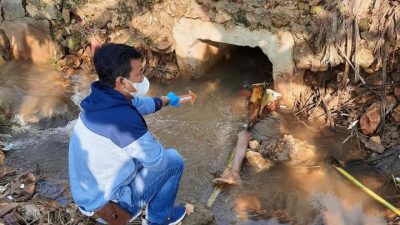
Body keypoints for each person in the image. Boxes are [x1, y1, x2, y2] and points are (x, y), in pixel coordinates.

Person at [68, 43, 186, 225]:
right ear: (121, 81)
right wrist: (151, 143)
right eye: (139, 74)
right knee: (173, 160)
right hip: (112, 208)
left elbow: (138, 104)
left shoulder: (99, 97)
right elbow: (158, 162)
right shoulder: (124, 121)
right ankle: (159, 219)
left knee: (141, 158)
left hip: (89, 196)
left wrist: (166, 100)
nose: (143, 78)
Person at [214, 88, 284, 185]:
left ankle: (234, 174)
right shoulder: (272, 116)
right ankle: (234, 174)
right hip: (270, 140)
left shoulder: (272, 118)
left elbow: (249, 126)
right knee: (243, 133)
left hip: (266, 139)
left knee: (243, 135)